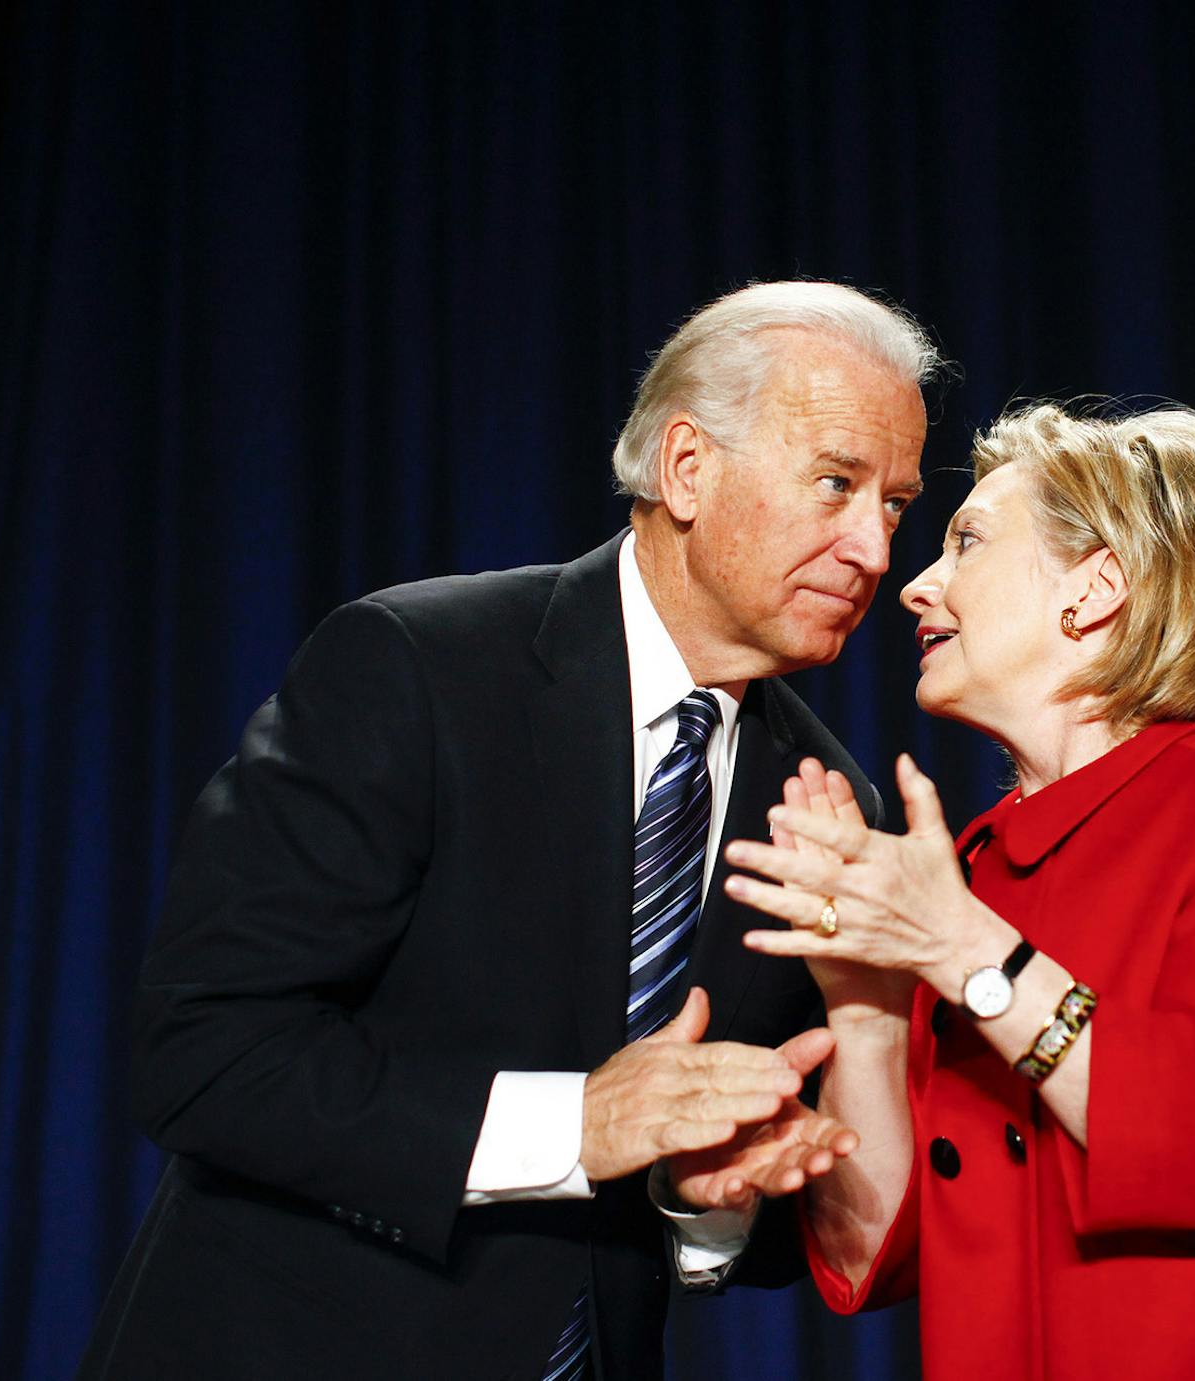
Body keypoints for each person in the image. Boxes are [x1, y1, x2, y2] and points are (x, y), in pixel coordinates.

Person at [78, 281, 941, 1380]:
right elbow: (202, 1053)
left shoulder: (826, 805)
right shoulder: (419, 666)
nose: (873, 547)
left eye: (898, 504)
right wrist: (573, 1126)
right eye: (836, 484)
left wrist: (701, 1194)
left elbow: (751, 1213)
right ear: (687, 467)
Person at [712, 402, 1195, 1377]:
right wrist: (864, 1011)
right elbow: (876, 1254)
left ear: (1095, 588)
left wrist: (962, 951)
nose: (916, 585)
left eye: (967, 541)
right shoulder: (966, 875)